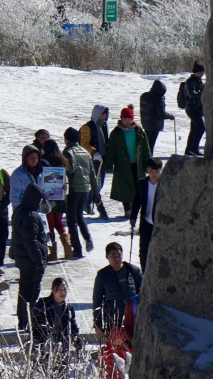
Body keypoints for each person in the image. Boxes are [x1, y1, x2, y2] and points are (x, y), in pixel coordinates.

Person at [9, 177, 50, 340]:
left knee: (24, 291)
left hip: (23, 259)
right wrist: (39, 261)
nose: (41, 202)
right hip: (31, 261)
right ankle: (29, 321)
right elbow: (30, 240)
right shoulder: (31, 216)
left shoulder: (20, 210)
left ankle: (23, 321)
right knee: (31, 293)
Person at [92, 241, 142, 367]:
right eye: (113, 255)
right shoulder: (103, 275)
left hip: (134, 319)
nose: (116, 258)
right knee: (116, 354)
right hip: (114, 321)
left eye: (118, 255)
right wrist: (98, 323)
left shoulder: (134, 271)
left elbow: (143, 292)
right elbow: (97, 299)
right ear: (107, 256)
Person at [106, 107, 152, 227]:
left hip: (137, 164)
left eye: (129, 119)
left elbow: (146, 149)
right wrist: (109, 164)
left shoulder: (139, 131)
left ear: (132, 119)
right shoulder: (116, 133)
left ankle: (137, 207)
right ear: (121, 119)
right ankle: (127, 208)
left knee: (139, 186)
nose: (127, 121)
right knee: (124, 186)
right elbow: (111, 149)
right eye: (125, 119)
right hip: (122, 165)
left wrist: (149, 163)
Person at [62, 128, 96, 257]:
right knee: (79, 216)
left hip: (74, 189)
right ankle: (87, 238)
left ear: (67, 139)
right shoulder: (86, 152)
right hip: (85, 189)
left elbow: (70, 171)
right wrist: (96, 192)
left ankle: (77, 249)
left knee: (71, 220)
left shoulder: (68, 152)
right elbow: (92, 174)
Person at [83, 103, 113, 216]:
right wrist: (93, 152)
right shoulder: (87, 127)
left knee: (100, 184)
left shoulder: (104, 126)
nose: (104, 117)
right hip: (93, 160)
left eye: (105, 115)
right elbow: (84, 143)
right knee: (98, 184)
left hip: (102, 160)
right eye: (102, 114)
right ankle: (87, 202)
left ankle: (87, 202)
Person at [38, 277, 78, 355]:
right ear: (53, 290)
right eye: (60, 290)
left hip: (62, 346)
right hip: (45, 345)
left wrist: (78, 346)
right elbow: (36, 326)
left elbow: (73, 328)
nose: (63, 293)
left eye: (65, 290)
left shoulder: (69, 308)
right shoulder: (42, 304)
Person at [138, 161, 164, 267]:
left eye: (156, 171)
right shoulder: (143, 183)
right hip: (146, 221)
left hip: (160, 223)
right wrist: (133, 218)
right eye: (151, 171)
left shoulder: (165, 184)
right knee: (143, 251)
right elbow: (137, 200)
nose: (154, 174)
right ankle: (144, 274)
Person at [181, 62, 207, 156]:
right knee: (201, 128)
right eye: (201, 72)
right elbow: (191, 95)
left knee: (194, 129)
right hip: (191, 108)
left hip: (196, 108)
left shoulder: (198, 80)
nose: (203, 74)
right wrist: (202, 93)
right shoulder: (190, 81)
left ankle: (189, 150)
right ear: (197, 72)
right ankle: (194, 148)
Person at [140, 80, 171, 152]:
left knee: (146, 143)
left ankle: (144, 159)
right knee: (151, 144)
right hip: (155, 125)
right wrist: (170, 116)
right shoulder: (158, 99)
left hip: (146, 123)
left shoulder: (144, 96)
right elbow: (161, 114)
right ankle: (149, 160)